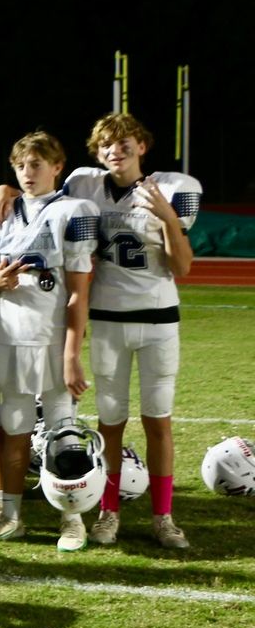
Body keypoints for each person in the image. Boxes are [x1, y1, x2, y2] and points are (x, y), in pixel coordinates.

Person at [66, 113, 201, 548]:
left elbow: (183, 266)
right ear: (97, 152)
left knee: (158, 420)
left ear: (142, 146)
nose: (115, 149)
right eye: (106, 143)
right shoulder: (84, 185)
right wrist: (5, 190)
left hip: (159, 319)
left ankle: (163, 516)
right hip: (108, 320)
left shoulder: (171, 188)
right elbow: (41, 196)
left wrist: (167, 217)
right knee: (110, 422)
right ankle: (109, 512)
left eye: (125, 142)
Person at [0, 133, 97, 547]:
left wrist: (72, 353)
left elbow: (79, 291)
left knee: (64, 435)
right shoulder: (3, 212)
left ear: (57, 167)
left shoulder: (72, 211)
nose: (28, 173)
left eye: (37, 164)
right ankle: (10, 515)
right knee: (15, 429)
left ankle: (72, 519)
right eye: (21, 165)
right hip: (11, 336)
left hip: (52, 337)